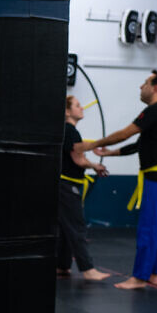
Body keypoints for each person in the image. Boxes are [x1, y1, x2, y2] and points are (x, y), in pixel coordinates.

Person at [81, 70, 157, 290]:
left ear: (155, 88)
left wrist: (92, 144)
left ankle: (139, 277)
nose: (140, 87)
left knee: (150, 228)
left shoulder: (154, 110)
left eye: (145, 83)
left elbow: (126, 133)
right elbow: (139, 146)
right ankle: (154, 273)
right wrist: (108, 153)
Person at [58, 96, 110, 281]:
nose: (82, 109)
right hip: (67, 186)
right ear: (67, 111)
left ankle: (62, 266)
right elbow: (78, 159)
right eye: (78, 106)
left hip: (62, 186)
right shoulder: (71, 132)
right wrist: (96, 165)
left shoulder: (66, 131)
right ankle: (88, 269)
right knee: (77, 226)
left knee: (65, 228)